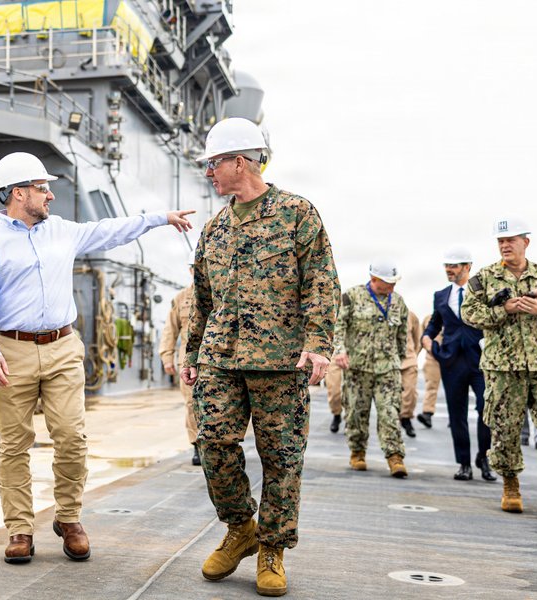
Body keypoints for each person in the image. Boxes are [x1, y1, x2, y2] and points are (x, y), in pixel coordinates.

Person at [0, 151, 194, 565]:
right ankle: (19, 528)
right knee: (14, 444)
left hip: (62, 347)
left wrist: (160, 217)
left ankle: (68, 518)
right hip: (11, 350)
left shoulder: (62, 232)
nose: (49, 195)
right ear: (18, 193)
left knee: (72, 436)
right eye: (41, 188)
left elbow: (110, 231)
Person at [180, 117, 339, 597]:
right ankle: (240, 527)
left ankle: (272, 548)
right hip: (220, 359)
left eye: (214, 164)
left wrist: (319, 345)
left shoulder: (296, 214)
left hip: (281, 360)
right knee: (212, 444)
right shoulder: (215, 229)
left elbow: (321, 283)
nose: (210, 173)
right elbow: (202, 296)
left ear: (240, 162)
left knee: (282, 458)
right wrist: (192, 351)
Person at [459, 216, 537, 518]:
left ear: (525, 242)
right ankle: (510, 487)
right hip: (504, 369)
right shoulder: (485, 278)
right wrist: (503, 310)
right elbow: (469, 313)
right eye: (500, 241)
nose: (505, 245)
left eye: (510, 240)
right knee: (504, 430)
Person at [333, 261, 410, 478]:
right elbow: (338, 326)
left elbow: (402, 334)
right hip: (357, 367)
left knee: (390, 413)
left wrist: (399, 360)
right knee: (356, 412)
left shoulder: (398, 302)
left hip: (387, 369)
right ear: (374, 279)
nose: (392, 287)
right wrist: (339, 351)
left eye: (395, 283)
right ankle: (357, 451)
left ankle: (395, 457)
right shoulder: (352, 296)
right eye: (388, 283)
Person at [423, 246, 493, 482]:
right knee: (456, 414)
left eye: (453, 266)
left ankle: (484, 458)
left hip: (481, 361)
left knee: (486, 409)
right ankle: (463, 463)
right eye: (446, 266)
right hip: (451, 361)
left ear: (467, 267)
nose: (449, 270)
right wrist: (427, 339)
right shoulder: (441, 295)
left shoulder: (481, 292)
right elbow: (435, 323)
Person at [161, 250, 201, 465]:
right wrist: (167, 357)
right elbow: (170, 329)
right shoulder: (181, 299)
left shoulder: (221, 295)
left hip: (215, 360)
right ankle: (197, 445)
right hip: (187, 360)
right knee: (191, 404)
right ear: (190, 270)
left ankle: (216, 446)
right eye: (195, 268)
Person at [398, 310, 423, 438]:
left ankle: (406, 417)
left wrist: (413, 355)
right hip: (388, 361)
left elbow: (417, 339)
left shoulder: (410, 315)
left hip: (408, 359)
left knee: (410, 391)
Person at [416, 313, 440, 429]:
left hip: (454, 359)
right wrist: (413, 357)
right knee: (431, 387)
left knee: (458, 388)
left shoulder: (455, 315)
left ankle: (456, 416)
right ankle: (427, 414)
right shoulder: (428, 319)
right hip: (432, 359)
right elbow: (421, 338)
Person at [326, 363, 343, 433]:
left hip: (353, 354)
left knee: (353, 390)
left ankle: (351, 419)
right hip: (335, 355)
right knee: (334, 391)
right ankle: (337, 414)